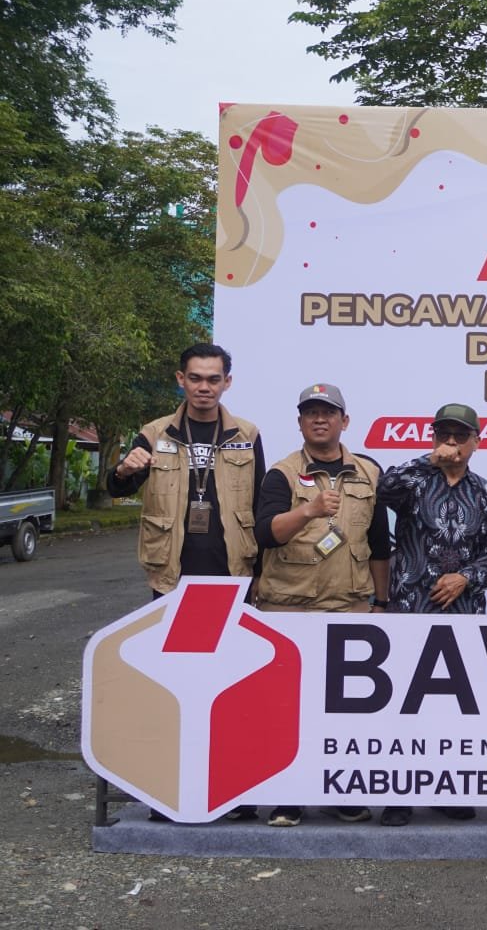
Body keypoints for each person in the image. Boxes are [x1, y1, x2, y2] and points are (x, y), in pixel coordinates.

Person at [254, 383, 392, 828]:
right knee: (286, 709)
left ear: (344, 421)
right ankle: (288, 796)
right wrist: (308, 511)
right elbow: (265, 534)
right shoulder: (280, 473)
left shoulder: (369, 473)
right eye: (310, 412)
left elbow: (379, 544)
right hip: (288, 609)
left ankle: (340, 793)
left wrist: (381, 602)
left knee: (344, 712)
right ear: (299, 423)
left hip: (348, 608)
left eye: (328, 412)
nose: (319, 419)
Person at [376, 402, 487, 827]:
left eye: (460, 436)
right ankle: (399, 795)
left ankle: (447, 790)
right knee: (404, 706)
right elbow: (381, 489)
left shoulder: (486, 493)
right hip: (410, 609)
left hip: (462, 613)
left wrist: (466, 578)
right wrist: (428, 460)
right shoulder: (414, 482)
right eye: (443, 435)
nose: (451, 442)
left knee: (454, 708)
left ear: (476, 442)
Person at [107, 343, 265, 599]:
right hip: (171, 573)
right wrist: (122, 471)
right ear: (181, 379)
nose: (204, 387)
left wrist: (260, 572)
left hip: (234, 570)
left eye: (213, 379)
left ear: (227, 382)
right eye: (195, 378)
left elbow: (260, 505)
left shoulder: (247, 435)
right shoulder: (154, 434)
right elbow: (119, 488)